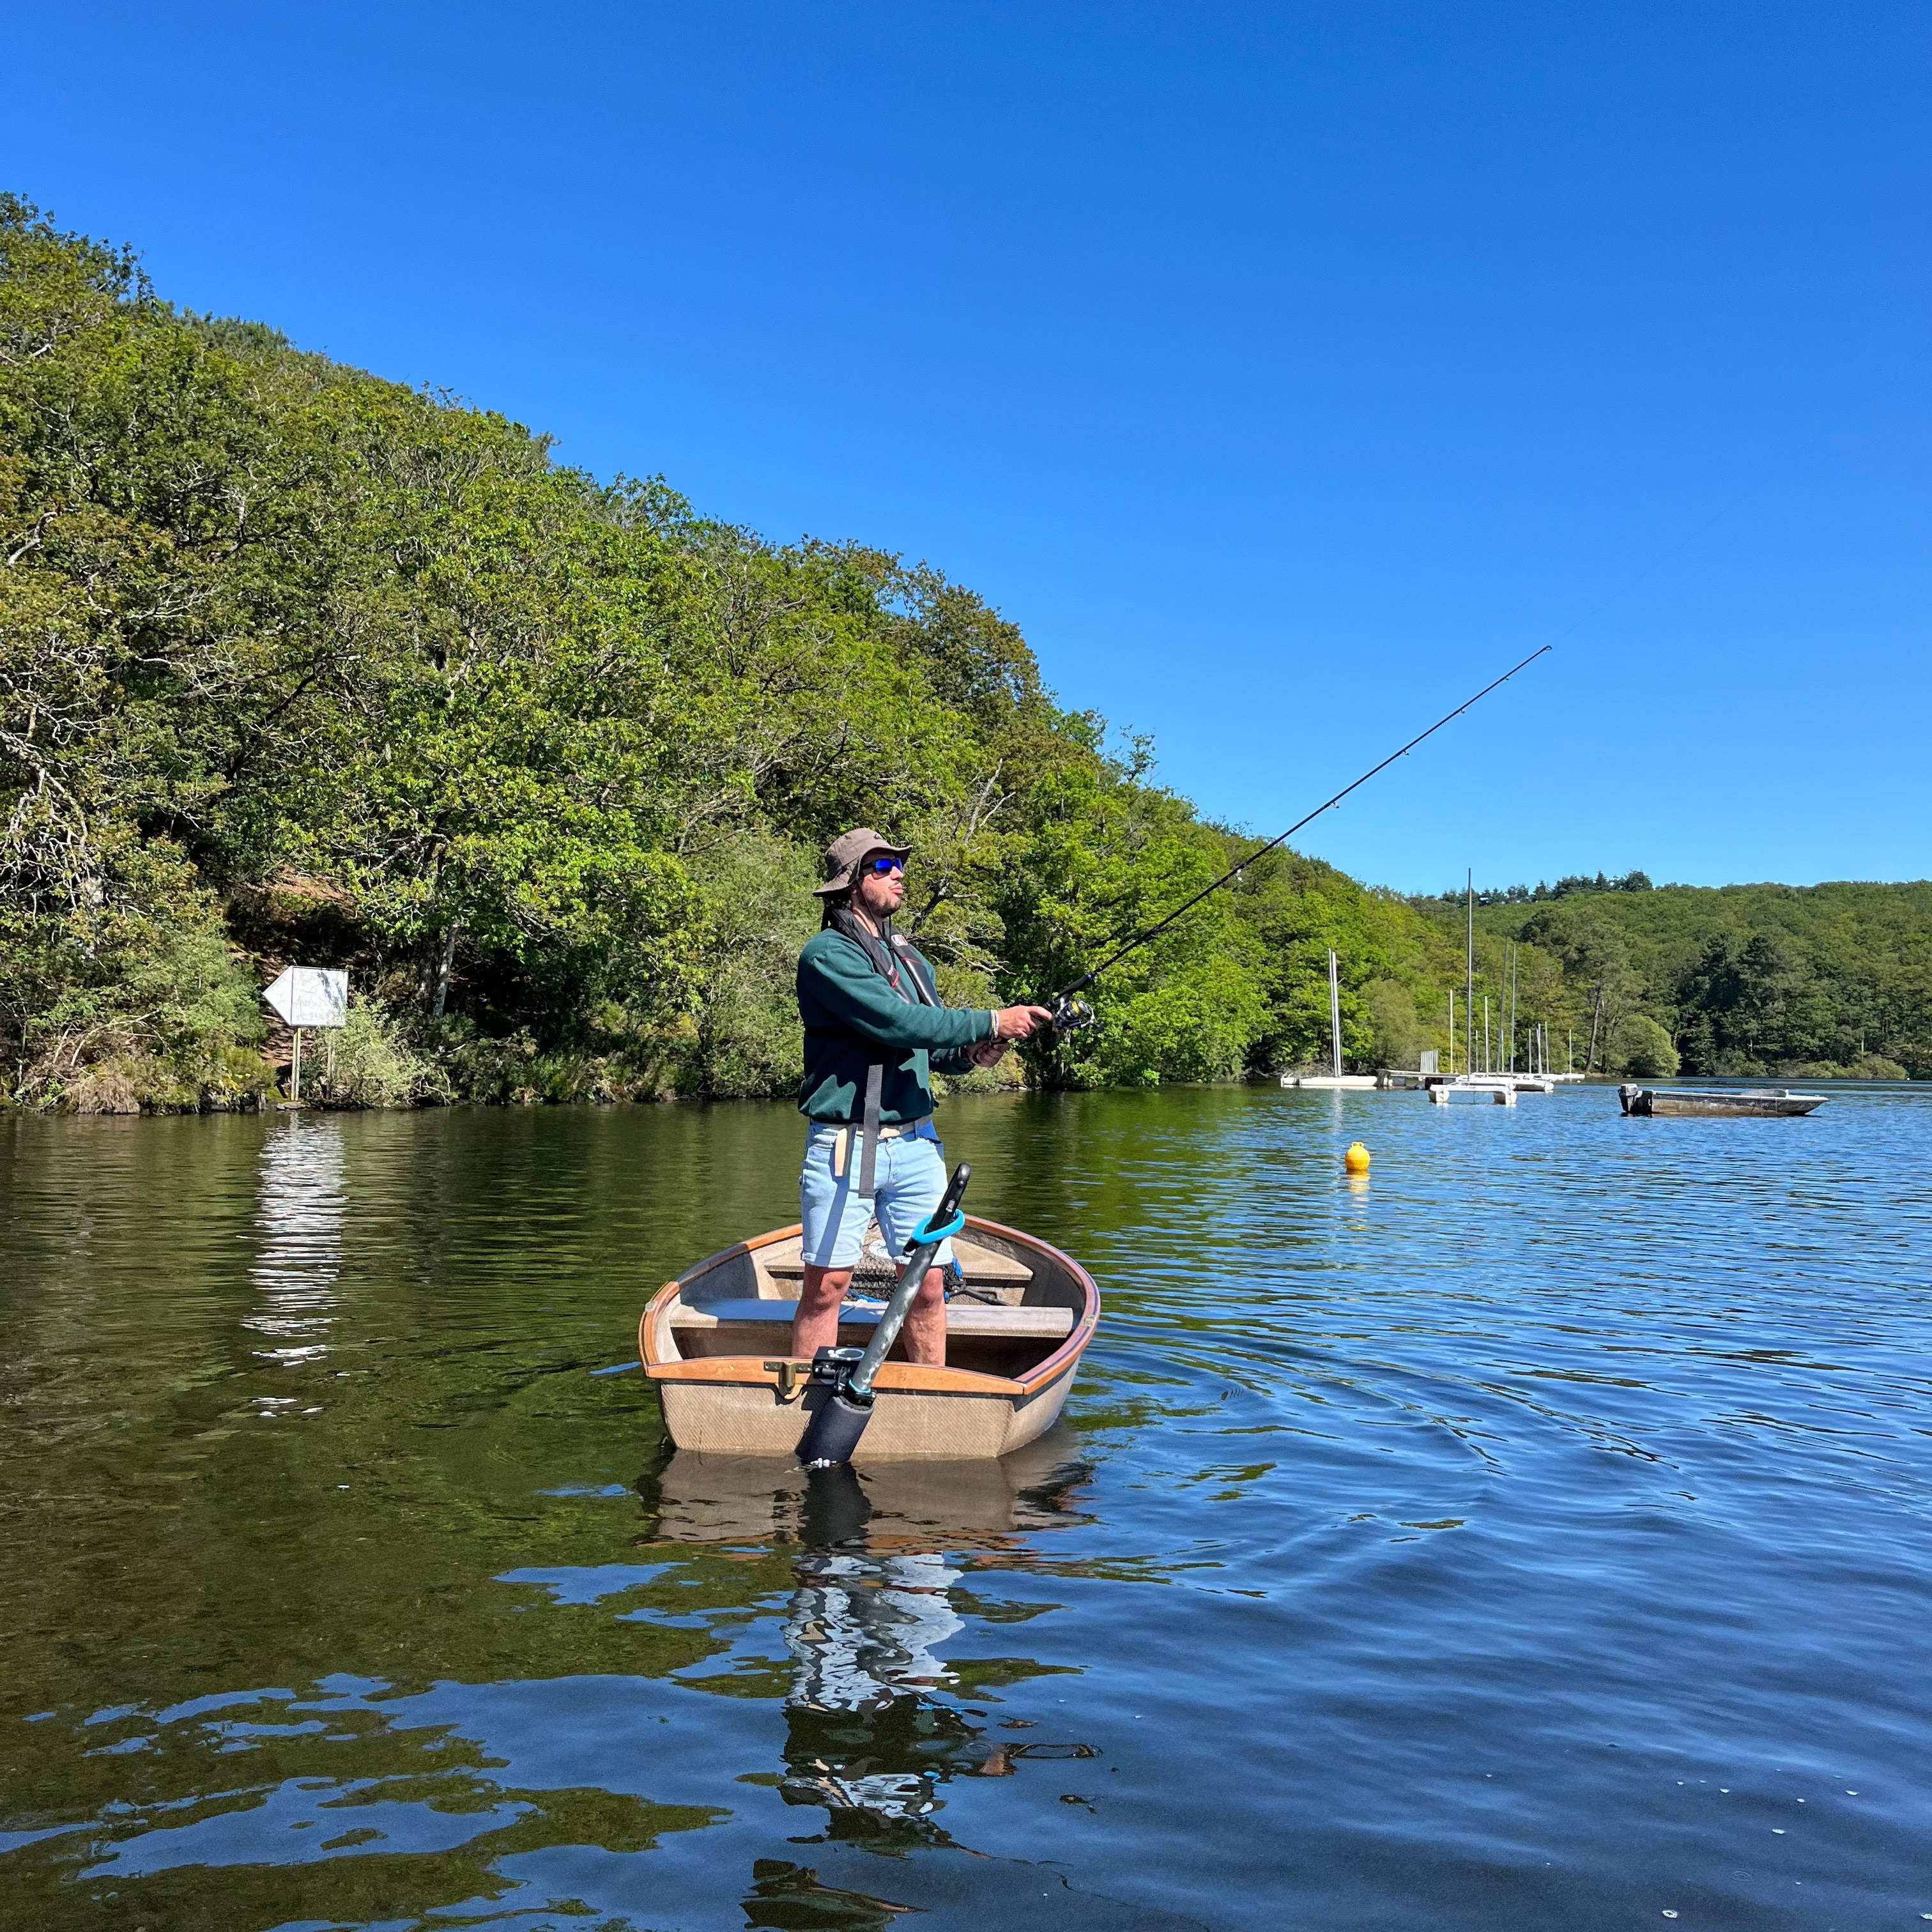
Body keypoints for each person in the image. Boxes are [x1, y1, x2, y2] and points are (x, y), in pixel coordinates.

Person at [794, 827, 1051, 1367]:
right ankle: (809, 1396)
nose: (899, 874)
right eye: (883, 866)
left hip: (916, 1145)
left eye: (899, 866)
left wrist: (976, 1051)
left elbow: (929, 1044)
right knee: (826, 1287)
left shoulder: (912, 961)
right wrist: (990, 1018)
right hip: (847, 1144)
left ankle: (930, 1396)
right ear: (852, 884)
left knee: (929, 1284)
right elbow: (895, 1022)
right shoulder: (827, 956)